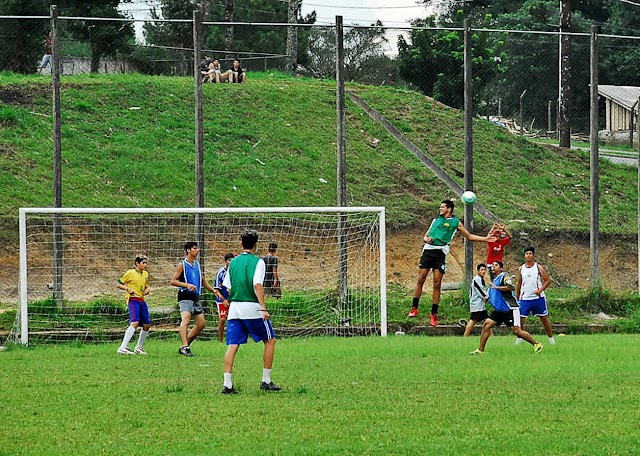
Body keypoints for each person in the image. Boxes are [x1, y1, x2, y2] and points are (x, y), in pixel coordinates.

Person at [408, 199, 496, 326]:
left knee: (437, 283)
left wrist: (485, 239)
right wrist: (427, 239)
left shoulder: (455, 223)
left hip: (440, 254)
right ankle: (414, 308)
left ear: (449, 209)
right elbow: (425, 236)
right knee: (421, 278)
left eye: (442, 207)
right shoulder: (436, 220)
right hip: (428, 251)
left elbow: (470, 236)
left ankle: (433, 314)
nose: (440, 209)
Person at [221, 229, 281, 394]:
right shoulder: (258, 262)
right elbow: (257, 285)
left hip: (235, 309)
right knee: (270, 340)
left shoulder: (232, 262)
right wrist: (263, 307)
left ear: (241, 244)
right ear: (256, 244)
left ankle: (227, 384)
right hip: (252, 308)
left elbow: (228, 286)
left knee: (232, 345)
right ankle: (266, 380)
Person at [470, 261, 543, 355]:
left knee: (517, 331)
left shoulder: (504, 276)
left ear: (501, 268)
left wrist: (497, 287)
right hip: (500, 310)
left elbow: (511, 287)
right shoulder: (495, 280)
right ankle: (480, 350)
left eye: (496, 265)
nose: (493, 267)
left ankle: (537, 344)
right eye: (492, 265)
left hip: (510, 309)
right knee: (486, 325)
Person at [170, 241, 216, 357]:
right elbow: (173, 281)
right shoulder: (182, 264)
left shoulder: (197, 265)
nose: (197, 250)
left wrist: (214, 291)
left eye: (197, 248)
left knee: (201, 324)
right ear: (188, 250)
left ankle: (184, 345)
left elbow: (203, 281)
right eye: (195, 248)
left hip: (195, 296)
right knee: (185, 320)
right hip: (185, 296)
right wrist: (187, 285)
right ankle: (185, 346)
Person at [516, 246, 555, 345]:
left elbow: (547, 280)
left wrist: (540, 290)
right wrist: (517, 297)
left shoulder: (538, 267)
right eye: (526, 254)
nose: (528, 255)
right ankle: (519, 339)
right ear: (524, 256)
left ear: (533, 255)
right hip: (525, 298)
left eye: (530, 254)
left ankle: (551, 339)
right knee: (521, 320)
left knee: (544, 319)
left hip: (538, 298)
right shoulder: (521, 268)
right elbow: (519, 283)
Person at [116, 255, 151, 355]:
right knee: (135, 322)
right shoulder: (130, 273)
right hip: (133, 299)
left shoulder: (145, 274)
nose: (145, 265)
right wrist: (127, 288)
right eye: (143, 263)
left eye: (146, 263)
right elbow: (119, 284)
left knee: (147, 324)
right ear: (137, 263)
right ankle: (122, 347)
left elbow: (146, 285)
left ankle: (139, 347)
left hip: (141, 299)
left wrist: (147, 289)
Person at [213, 253, 235, 343]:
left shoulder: (235, 272)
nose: (231, 262)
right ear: (225, 261)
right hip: (222, 300)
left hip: (232, 300)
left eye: (232, 260)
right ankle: (220, 340)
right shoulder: (220, 273)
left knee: (233, 319)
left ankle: (231, 339)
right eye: (229, 260)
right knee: (222, 319)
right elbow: (216, 290)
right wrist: (223, 300)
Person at [463, 263, 489, 337]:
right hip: (476, 304)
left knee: (487, 321)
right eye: (482, 270)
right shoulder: (477, 279)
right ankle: (465, 336)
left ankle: (491, 337)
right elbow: (480, 290)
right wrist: (486, 297)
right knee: (473, 320)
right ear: (478, 271)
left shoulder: (480, 279)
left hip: (480, 304)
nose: (483, 271)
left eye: (484, 270)